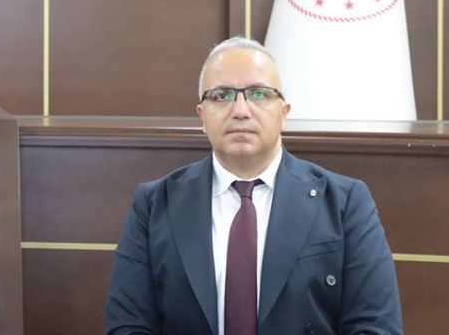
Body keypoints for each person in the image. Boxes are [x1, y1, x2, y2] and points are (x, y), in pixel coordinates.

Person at [105, 36, 403, 335]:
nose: (240, 110)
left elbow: (375, 326)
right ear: (202, 116)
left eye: (259, 93)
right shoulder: (155, 203)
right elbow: (128, 325)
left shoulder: (345, 202)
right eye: (221, 95)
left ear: (284, 113)